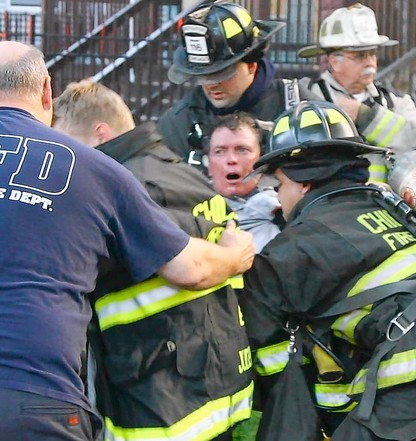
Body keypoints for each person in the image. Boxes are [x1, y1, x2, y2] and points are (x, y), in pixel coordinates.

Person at [0, 41, 254, 441]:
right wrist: (234, 256)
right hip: (37, 398)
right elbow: (189, 267)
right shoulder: (96, 169)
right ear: (47, 91)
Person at [239, 100, 416, 441]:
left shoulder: (294, 247)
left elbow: (267, 356)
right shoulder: (390, 205)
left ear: (300, 182)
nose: (278, 201)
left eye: (278, 187)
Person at [158, 0, 317, 173]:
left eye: (222, 74)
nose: (212, 85)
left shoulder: (297, 108)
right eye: (203, 76)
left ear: (251, 66)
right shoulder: (179, 122)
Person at [296, 3, 416, 183]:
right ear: (334, 62)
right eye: (359, 56)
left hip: (382, 207)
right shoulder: (307, 97)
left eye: (372, 54)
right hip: (330, 206)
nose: (370, 62)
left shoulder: (394, 102)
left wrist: (367, 117)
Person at [206, 112, 282, 252]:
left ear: (261, 162)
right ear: (209, 165)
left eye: (242, 150)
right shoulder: (188, 215)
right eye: (220, 151)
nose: (231, 160)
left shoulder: (286, 214)